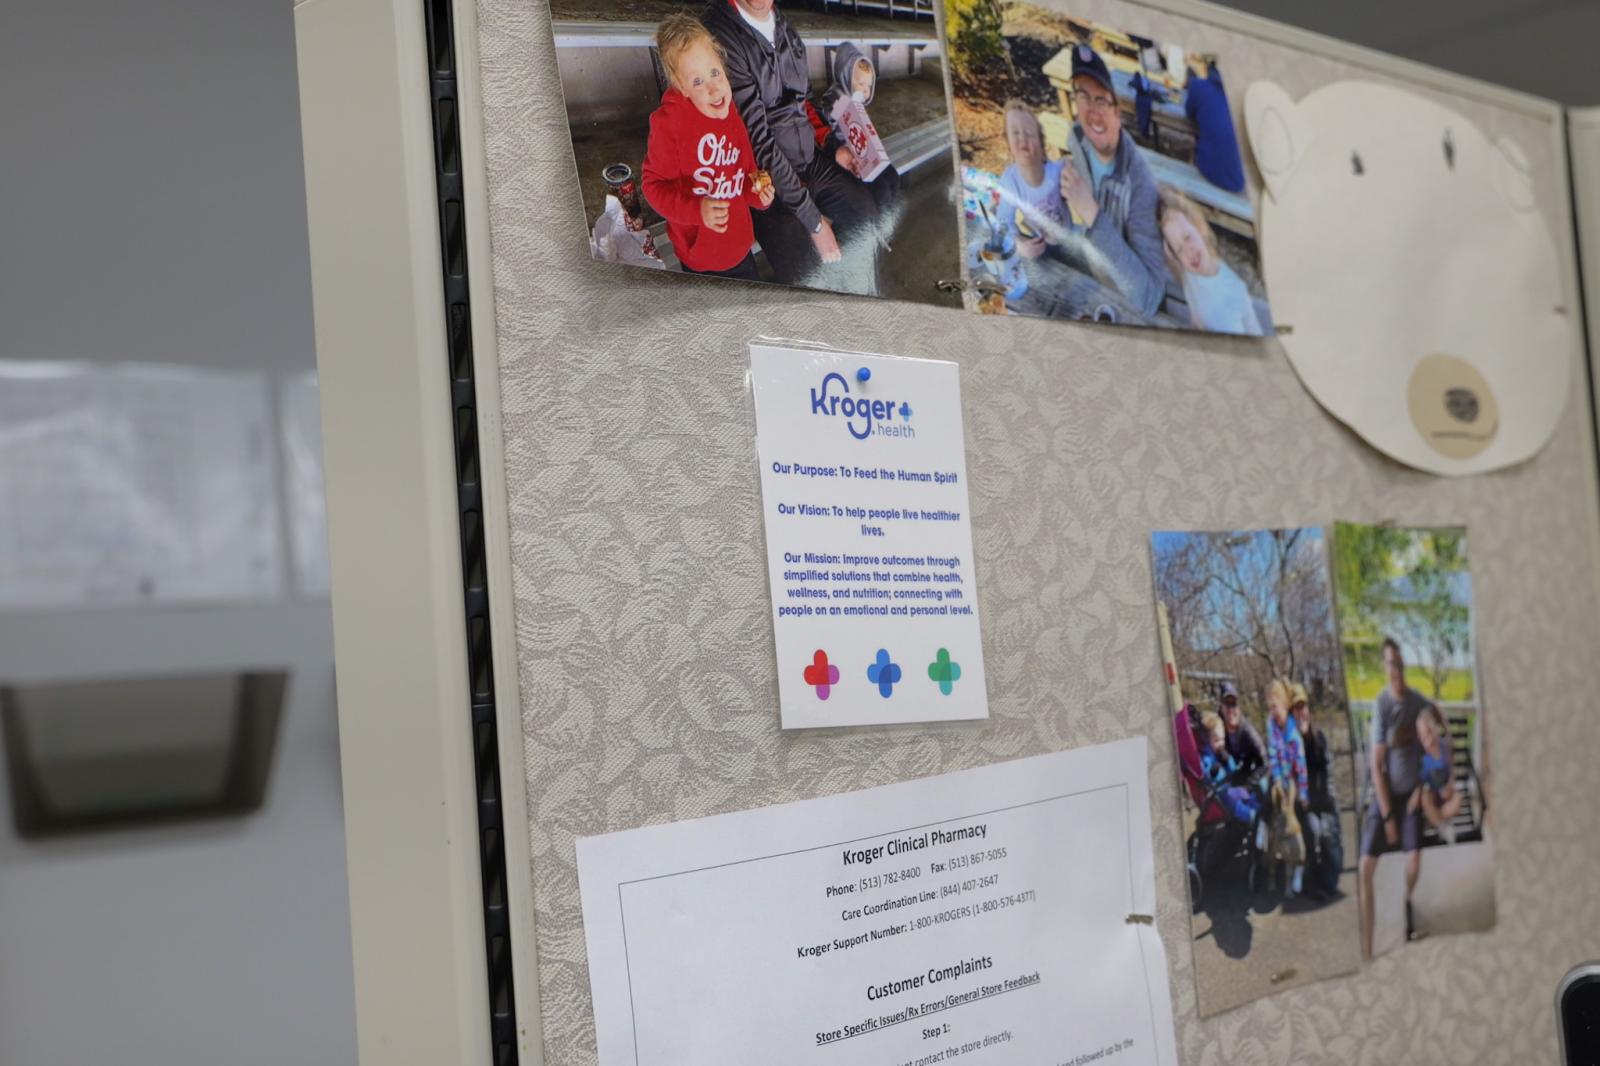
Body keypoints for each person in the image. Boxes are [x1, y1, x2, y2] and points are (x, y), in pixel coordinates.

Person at [702, 0, 879, 287]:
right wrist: (816, 222)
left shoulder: (787, 30)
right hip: (762, 180)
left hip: (810, 160)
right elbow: (756, 139)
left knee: (866, 215)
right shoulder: (720, 34)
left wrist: (835, 149)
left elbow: (806, 102)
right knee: (805, 266)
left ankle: (865, 301)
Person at [642, 15, 776, 280]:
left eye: (715, 73)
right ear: (681, 88)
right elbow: (652, 186)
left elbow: (746, 172)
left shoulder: (731, 113)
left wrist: (757, 194)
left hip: (740, 248)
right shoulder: (669, 124)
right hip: (703, 260)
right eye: (697, 82)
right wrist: (696, 210)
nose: (714, 88)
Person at [1057, 44, 1168, 316]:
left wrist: (1092, 215)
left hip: (1127, 307)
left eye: (1102, 100)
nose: (1092, 111)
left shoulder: (1140, 184)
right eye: (1083, 96)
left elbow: (1149, 296)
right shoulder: (1077, 138)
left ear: (1118, 113)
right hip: (1093, 274)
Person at [1359, 637, 1436, 958]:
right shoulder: (1382, 704)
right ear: (1385, 666)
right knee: (1365, 867)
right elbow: (1376, 766)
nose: (1396, 669)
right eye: (1390, 663)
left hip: (1414, 798)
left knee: (1414, 859)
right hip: (1387, 798)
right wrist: (1388, 815)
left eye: (1400, 663)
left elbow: (1434, 743)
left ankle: (1405, 901)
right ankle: (1366, 950)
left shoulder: (1418, 701)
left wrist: (1422, 789)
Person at [1155, 186, 1264, 335]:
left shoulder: (1226, 305)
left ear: (1200, 228)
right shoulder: (1189, 269)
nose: (1188, 251)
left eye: (1187, 237)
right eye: (1179, 249)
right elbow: (1180, 271)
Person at [817, 43, 900, 211]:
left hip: (865, 152)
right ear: (845, 76)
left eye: (869, 86)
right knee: (881, 190)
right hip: (847, 156)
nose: (866, 90)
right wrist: (845, 107)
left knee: (894, 178)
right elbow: (832, 118)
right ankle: (880, 224)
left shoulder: (856, 100)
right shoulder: (834, 97)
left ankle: (889, 216)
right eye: (861, 83)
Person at [997, 100, 1069, 258]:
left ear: (1041, 144)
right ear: (1007, 141)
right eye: (1015, 132)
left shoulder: (1054, 171)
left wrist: (1072, 167)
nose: (1022, 137)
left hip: (1071, 237)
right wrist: (1018, 245)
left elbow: (1069, 167)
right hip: (1043, 245)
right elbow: (1003, 221)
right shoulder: (1011, 183)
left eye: (1029, 133)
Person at [1293, 683, 1340, 898]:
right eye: (1296, 709)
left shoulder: (1320, 738)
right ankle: (1312, 884)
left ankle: (1329, 884)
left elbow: (1328, 770)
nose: (1301, 713)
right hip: (1304, 804)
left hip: (1323, 799)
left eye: (1303, 708)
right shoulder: (1290, 743)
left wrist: (1329, 797)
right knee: (1314, 832)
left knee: (1330, 834)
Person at [1265, 679, 1308, 896]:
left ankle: (1296, 864)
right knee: (1267, 800)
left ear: (1284, 704)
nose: (1273, 711)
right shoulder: (1270, 725)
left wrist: (1303, 792)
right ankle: (1265, 843)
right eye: (1270, 707)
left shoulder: (1294, 735)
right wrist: (1277, 780)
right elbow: (1272, 754)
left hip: (1292, 779)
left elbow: (1300, 767)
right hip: (1277, 777)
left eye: (1276, 707)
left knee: (1293, 820)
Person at [1183, 57, 1246, 193]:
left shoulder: (1197, 86)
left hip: (1211, 172)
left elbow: (1189, 114)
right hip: (1240, 180)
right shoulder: (1244, 96)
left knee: (1197, 147)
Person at [1199, 711, 1261, 827]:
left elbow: (1233, 771)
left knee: (1248, 791)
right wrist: (1214, 771)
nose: (1220, 744)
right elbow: (1206, 774)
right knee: (1234, 800)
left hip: (1232, 785)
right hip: (1222, 792)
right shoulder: (1206, 758)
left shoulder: (1223, 753)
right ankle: (1250, 817)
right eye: (1216, 740)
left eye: (1222, 739)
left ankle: (1258, 810)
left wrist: (1228, 761)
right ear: (1208, 740)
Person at [1410, 704, 1462, 844]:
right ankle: (1441, 825)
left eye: (1429, 732)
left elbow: (1452, 769)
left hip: (1445, 794)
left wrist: (1450, 785)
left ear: (1435, 730)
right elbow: (1419, 781)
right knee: (1425, 798)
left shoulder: (1444, 746)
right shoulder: (1421, 756)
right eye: (1422, 735)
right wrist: (1418, 792)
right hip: (1431, 793)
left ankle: (1436, 821)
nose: (1426, 738)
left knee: (1458, 798)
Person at [1218, 682, 1265, 782]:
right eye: (1227, 704)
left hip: (1250, 775)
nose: (1230, 710)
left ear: (1238, 708)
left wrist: (1252, 780)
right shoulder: (1217, 727)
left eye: (1233, 704)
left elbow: (1264, 761)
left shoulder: (1248, 731)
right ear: (1221, 707)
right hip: (1229, 775)